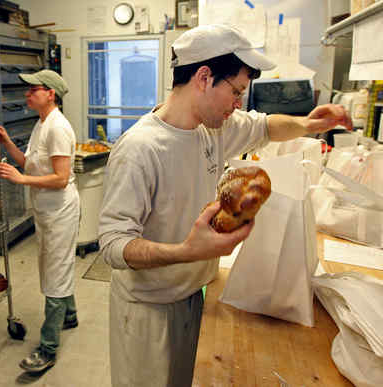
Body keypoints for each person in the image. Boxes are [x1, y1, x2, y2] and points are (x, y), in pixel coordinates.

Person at [98, 24, 352, 387]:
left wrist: (309, 123)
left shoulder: (212, 128)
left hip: (195, 296)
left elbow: (266, 128)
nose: (238, 104)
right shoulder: (141, 149)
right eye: (235, 91)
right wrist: (186, 251)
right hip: (149, 310)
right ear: (204, 77)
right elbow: (112, 245)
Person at [0, 69, 80, 373]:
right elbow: (28, 163)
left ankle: (48, 349)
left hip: (60, 210)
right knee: (54, 264)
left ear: (51, 94)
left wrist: (21, 179)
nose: (27, 93)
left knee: (55, 273)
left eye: (34, 89)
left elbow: (59, 179)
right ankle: (69, 315)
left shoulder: (58, 128)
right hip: (46, 210)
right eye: (28, 89)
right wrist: (7, 144)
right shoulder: (41, 124)